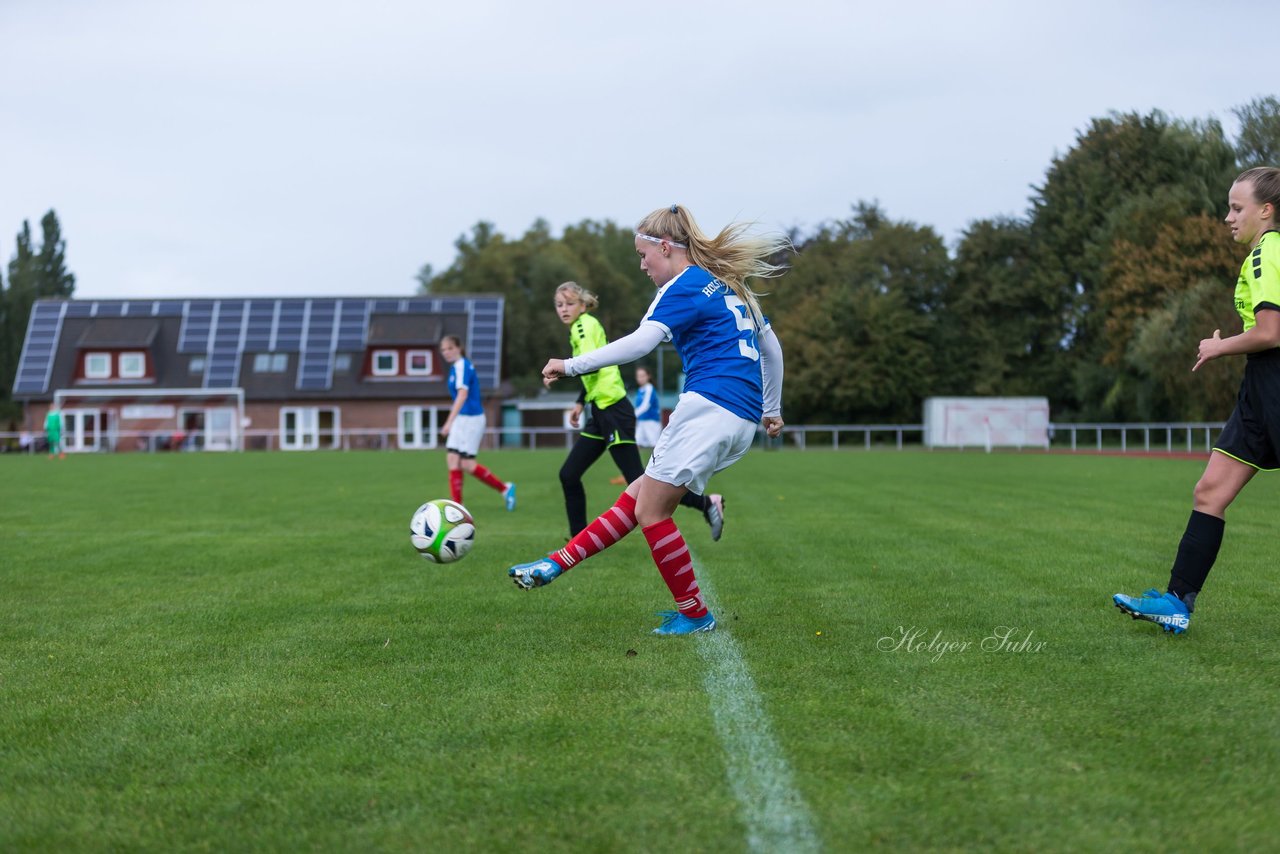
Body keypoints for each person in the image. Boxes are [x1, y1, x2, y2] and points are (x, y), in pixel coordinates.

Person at [510, 205, 787, 635]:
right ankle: (554, 564)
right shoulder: (729, 283)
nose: (641, 265)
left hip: (709, 408)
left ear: (665, 247)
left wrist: (569, 366)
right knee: (638, 497)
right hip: (740, 417)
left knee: (653, 514)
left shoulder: (683, 285)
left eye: (644, 255)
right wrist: (771, 408)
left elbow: (640, 343)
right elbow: (771, 348)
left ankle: (695, 614)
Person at [1113, 166, 1280, 634]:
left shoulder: (1269, 253)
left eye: (1236, 207)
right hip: (1259, 388)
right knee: (1209, 492)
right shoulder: (1264, 254)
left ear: (1266, 211)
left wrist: (1218, 345)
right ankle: (1176, 602)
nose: (1228, 217)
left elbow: (1270, 333)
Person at [552, 282, 724, 541]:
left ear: (583, 305)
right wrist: (580, 402)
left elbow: (589, 365)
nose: (564, 309)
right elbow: (592, 369)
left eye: (569, 303)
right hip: (600, 411)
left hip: (613, 411)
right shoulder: (582, 326)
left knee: (638, 481)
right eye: (559, 305)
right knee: (569, 474)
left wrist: (560, 372)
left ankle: (707, 504)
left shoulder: (582, 325)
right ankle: (578, 537)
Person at [438, 335, 516, 512]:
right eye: (443, 350)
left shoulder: (462, 366)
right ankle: (458, 505)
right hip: (462, 419)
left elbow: (463, 395)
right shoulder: (455, 368)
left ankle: (505, 489)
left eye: (450, 348)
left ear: (459, 348)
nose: (446, 352)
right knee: (452, 458)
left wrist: (448, 422)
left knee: (467, 464)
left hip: (472, 420)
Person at [633, 366, 663, 449]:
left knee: (656, 447)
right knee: (636, 444)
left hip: (651, 422)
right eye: (638, 376)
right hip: (641, 422)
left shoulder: (649, 388)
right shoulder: (640, 390)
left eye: (643, 376)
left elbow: (646, 406)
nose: (640, 378)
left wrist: (632, 415)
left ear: (648, 376)